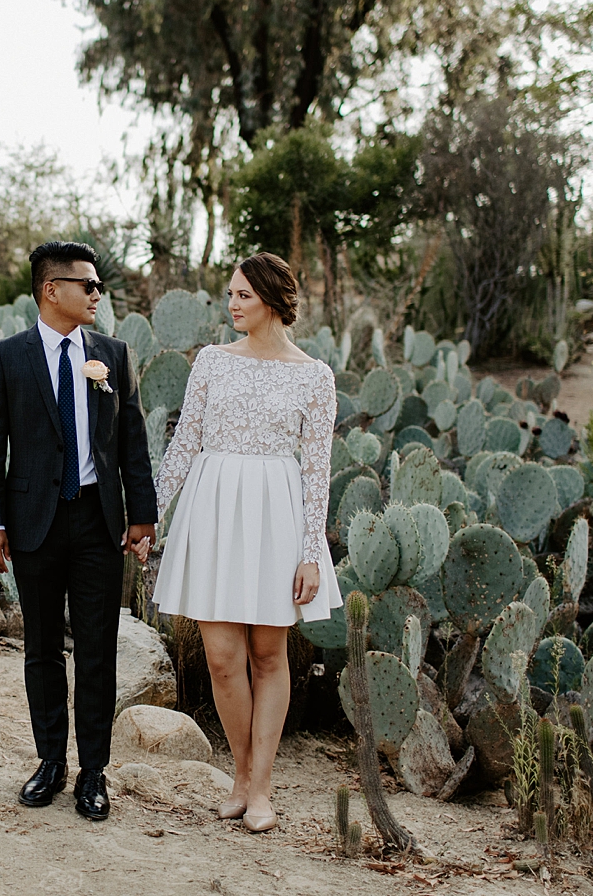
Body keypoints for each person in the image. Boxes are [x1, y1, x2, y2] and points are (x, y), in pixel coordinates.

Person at [151, 252, 342, 833]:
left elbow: (317, 472)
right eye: (230, 294)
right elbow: (184, 444)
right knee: (221, 657)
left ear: (274, 303)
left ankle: (261, 788)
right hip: (213, 511)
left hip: (276, 518)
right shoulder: (211, 362)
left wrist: (311, 551)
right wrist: (150, 517)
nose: (231, 305)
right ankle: (239, 773)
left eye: (242, 296)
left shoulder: (315, 376)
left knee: (268, 654)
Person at [0, 240, 158, 822]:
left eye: (99, 285)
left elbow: (133, 442)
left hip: (97, 523)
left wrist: (142, 515)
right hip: (33, 524)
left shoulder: (115, 355)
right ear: (52, 290)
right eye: (89, 285)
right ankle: (50, 763)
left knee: (98, 652)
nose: (98, 294)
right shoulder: (6, 357)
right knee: (43, 650)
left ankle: (93, 774)